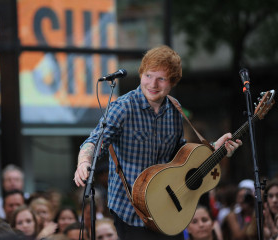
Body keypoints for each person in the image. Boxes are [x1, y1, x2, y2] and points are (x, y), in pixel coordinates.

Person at [73, 45, 242, 240]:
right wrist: (84, 161)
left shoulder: (175, 110)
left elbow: (182, 158)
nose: (152, 84)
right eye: (148, 76)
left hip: (171, 210)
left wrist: (214, 148)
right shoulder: (123, 108)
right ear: (141, 75)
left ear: (172, 82)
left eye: (161, 79)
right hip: (131, 214)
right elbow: (95, 140)